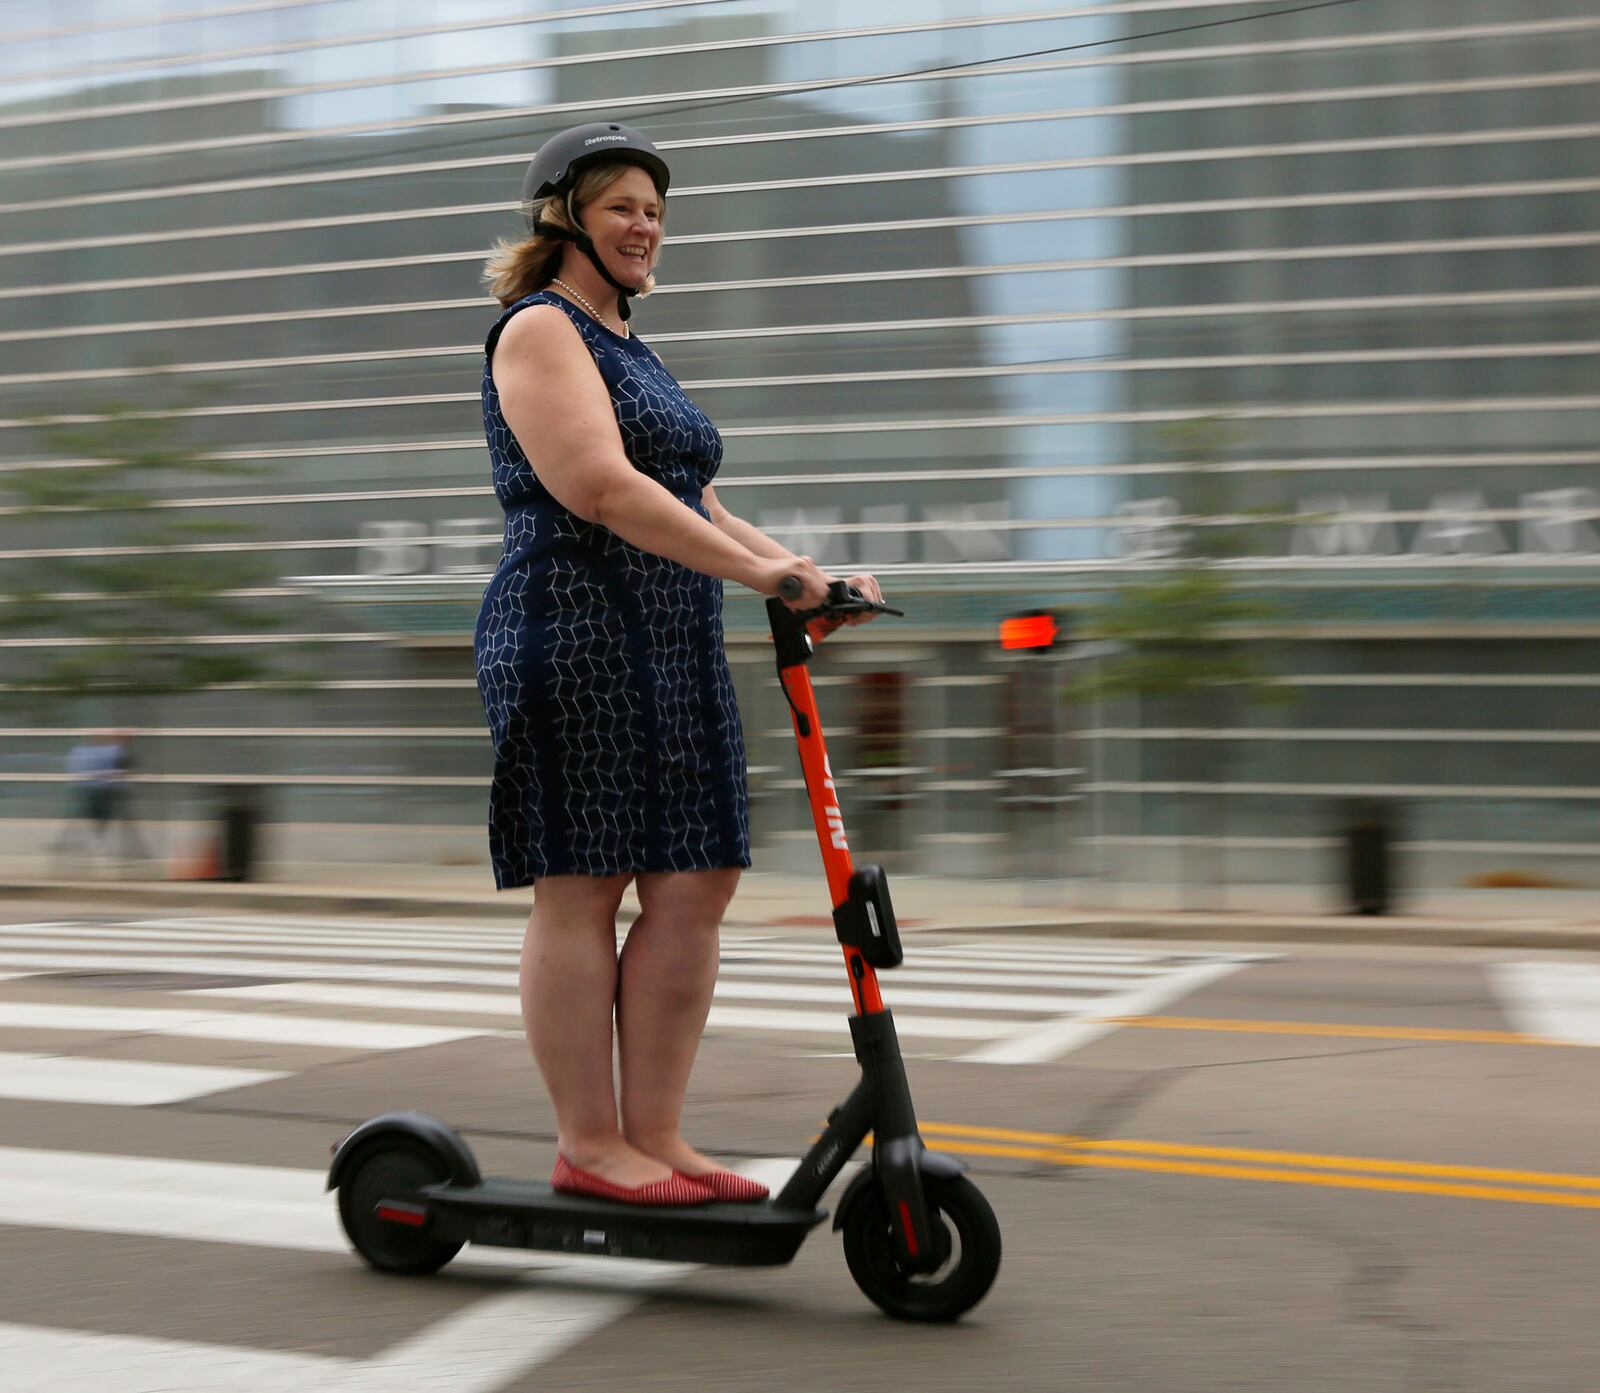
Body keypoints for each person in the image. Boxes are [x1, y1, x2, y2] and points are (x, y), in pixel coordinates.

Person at [474, 123, 884, 1207]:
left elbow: (692, 498)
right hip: (574, 632)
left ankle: (655, 1135)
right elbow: (603, 488)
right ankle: (589, 1143)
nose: (646, 224)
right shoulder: (538, 330)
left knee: (698, 877)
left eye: (655, 209)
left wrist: (798, 570)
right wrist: (764, 582)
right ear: (564, 218)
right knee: (585, 885)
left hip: (673, 636)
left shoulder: (634, 349)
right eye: (621, 205)